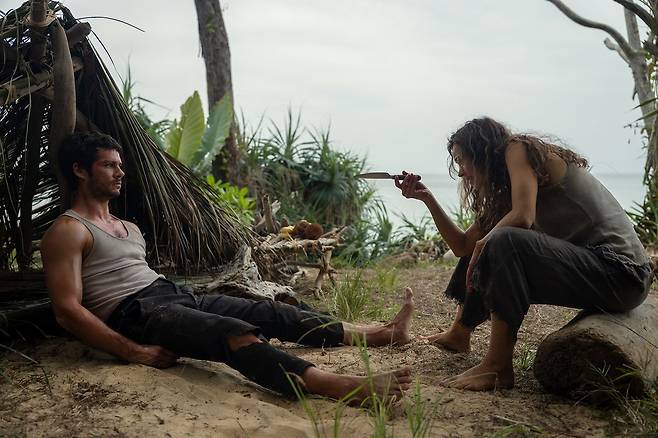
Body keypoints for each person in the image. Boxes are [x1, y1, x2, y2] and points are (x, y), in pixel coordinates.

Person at [41, 132, 413, 402]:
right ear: (80, 171)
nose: (120, 172)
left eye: (120, 165)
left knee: (271, 310)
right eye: (108, 165)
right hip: (135, 313)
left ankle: (376, 334)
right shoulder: (69, 230)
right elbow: (67, 311)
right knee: (235, 333)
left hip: (171, 295)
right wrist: (133, 351)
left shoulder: (129, 228)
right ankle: (338, 386)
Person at [395, 117, 652, 391]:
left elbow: (523, 217)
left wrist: (485, 244)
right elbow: (463, 245)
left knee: (502, 240)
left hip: (623, 273)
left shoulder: (517, 148)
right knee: (490, 240)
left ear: (480, 152)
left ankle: (497, 366)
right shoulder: (507, 189)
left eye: (461, 161)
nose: (460, 173)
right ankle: (459, 334)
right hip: (600, 273)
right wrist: (427, 198)